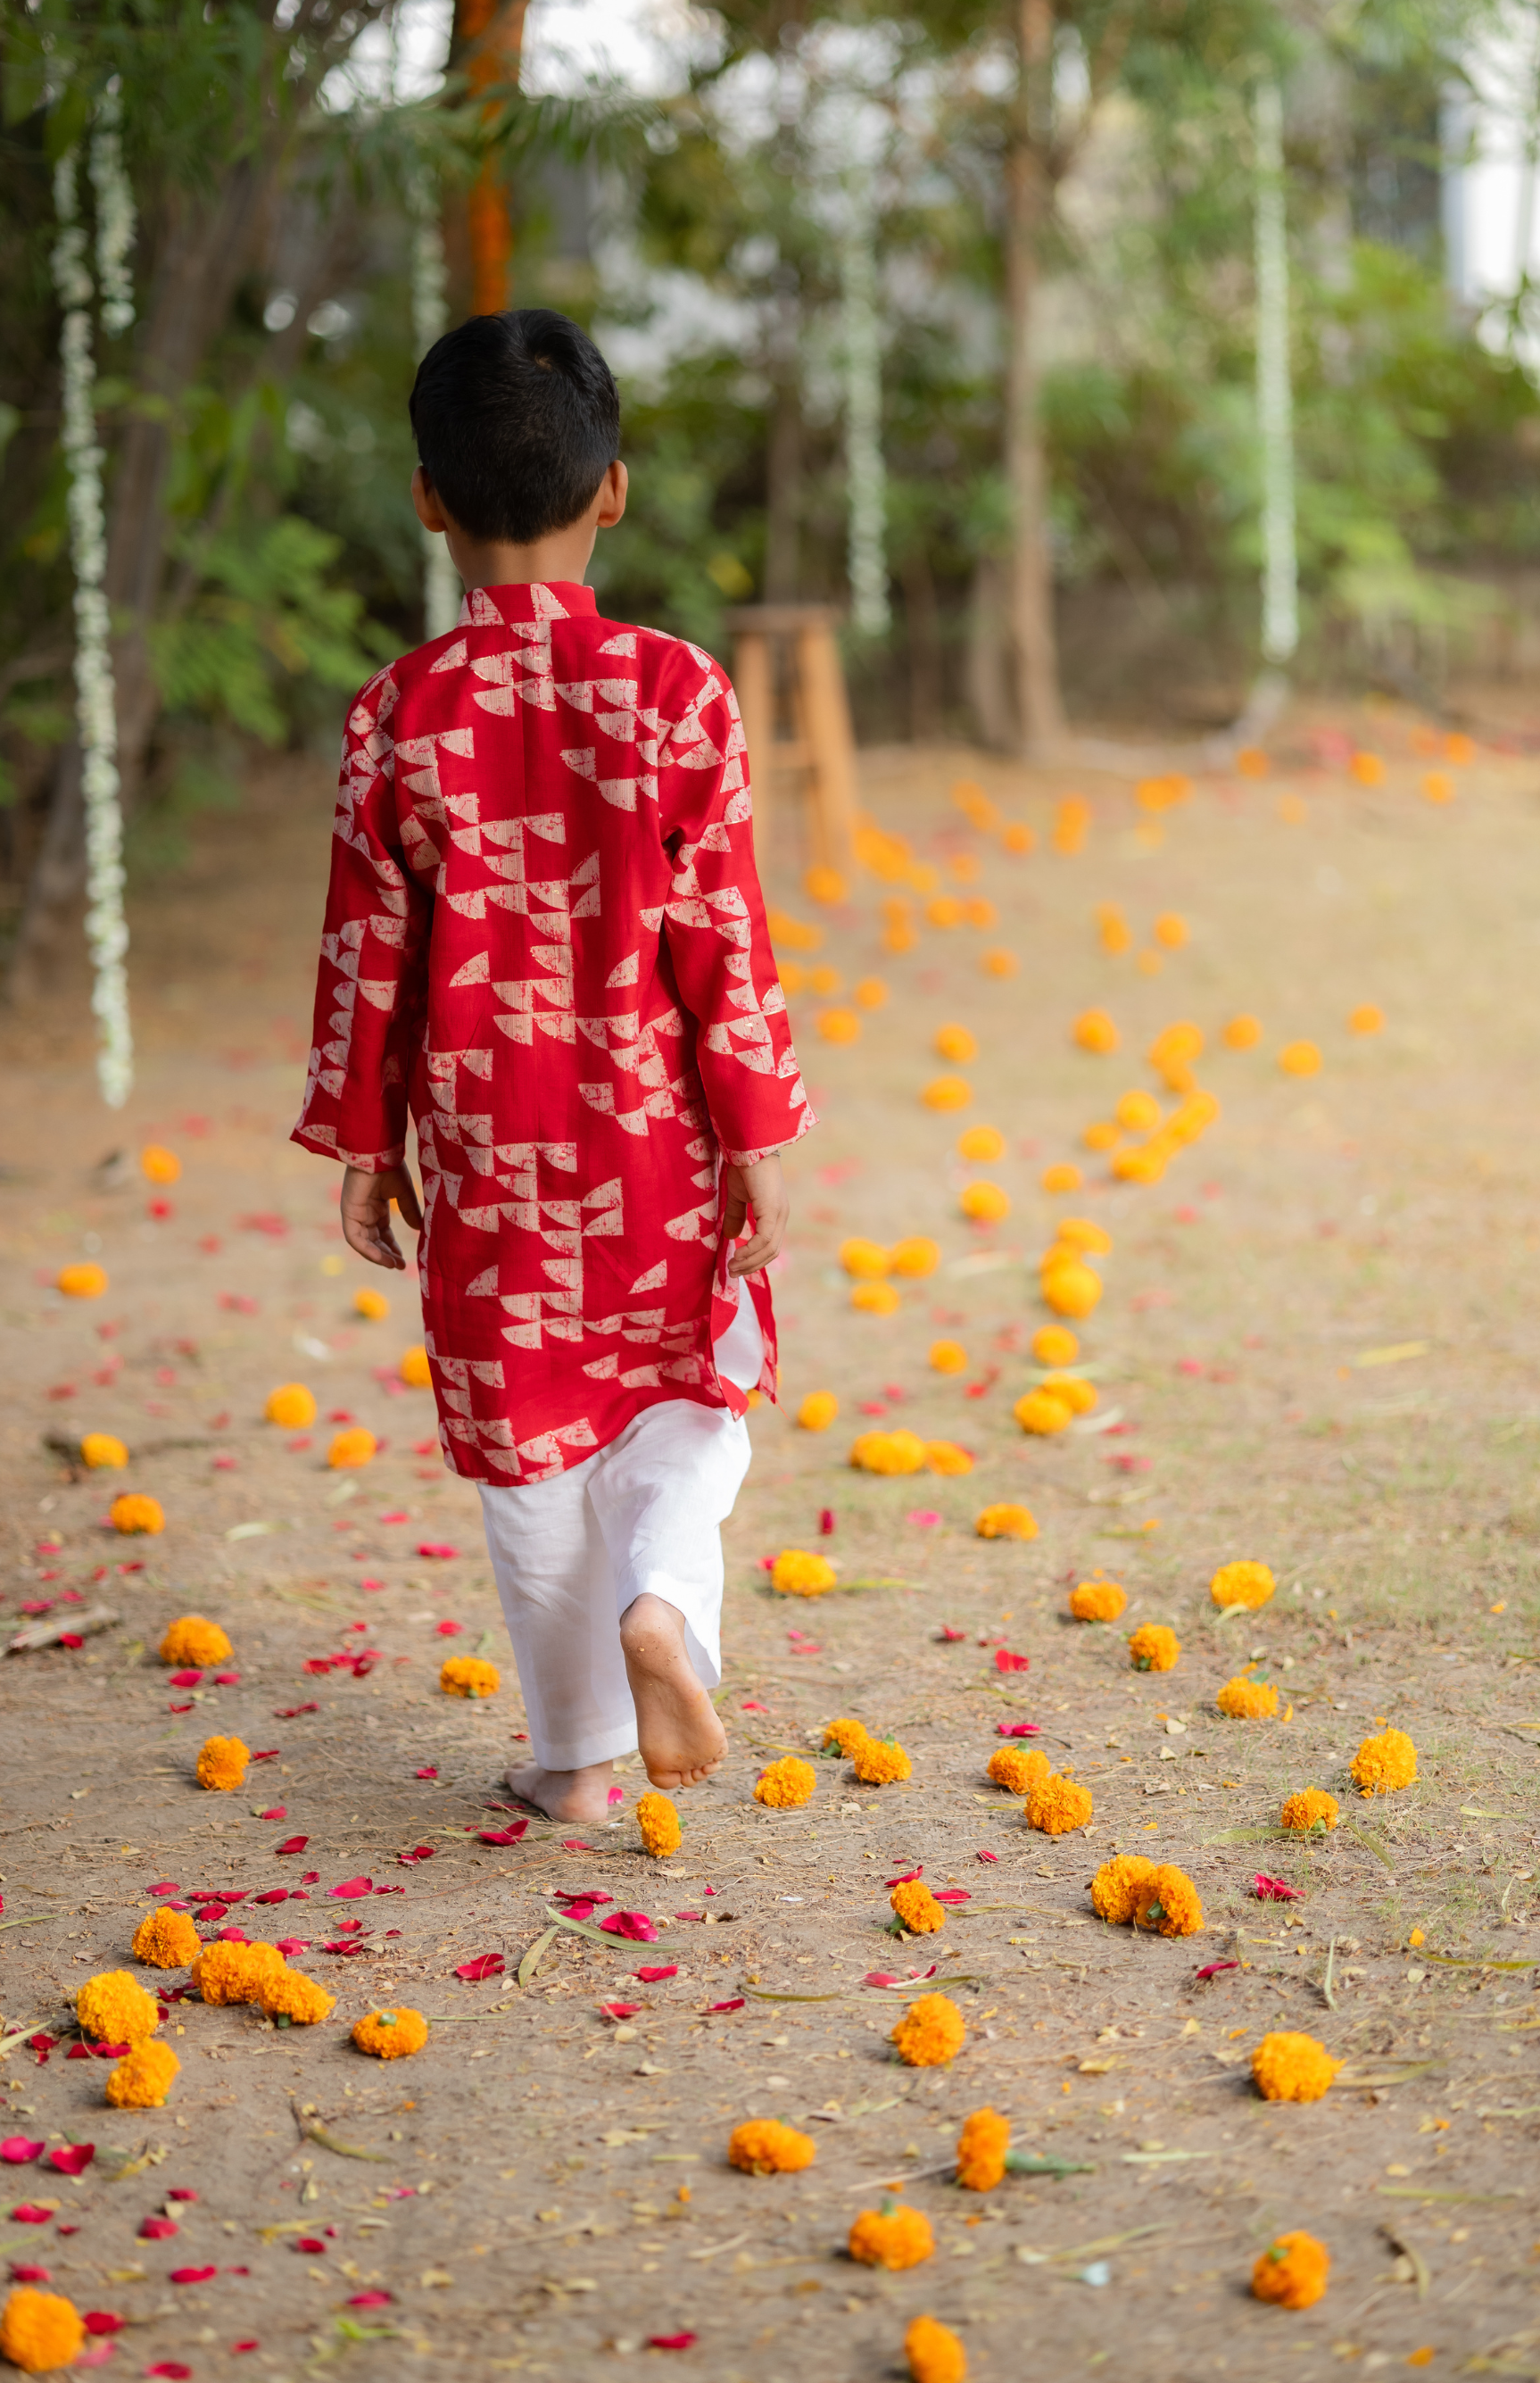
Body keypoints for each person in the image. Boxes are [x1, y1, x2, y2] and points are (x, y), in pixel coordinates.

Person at [292, 308, 812, 1821]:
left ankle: (575, 1765)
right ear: (616, 491)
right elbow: (724, 936)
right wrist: (757, 1131)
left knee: (525, 1442)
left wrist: (363, 1140)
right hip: (655, 1137)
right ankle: (666, 1599)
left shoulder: (398, 715)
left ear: (428, 500)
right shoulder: (677, 692)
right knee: (685, 1403)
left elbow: (363, 949)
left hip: (486, 1143)